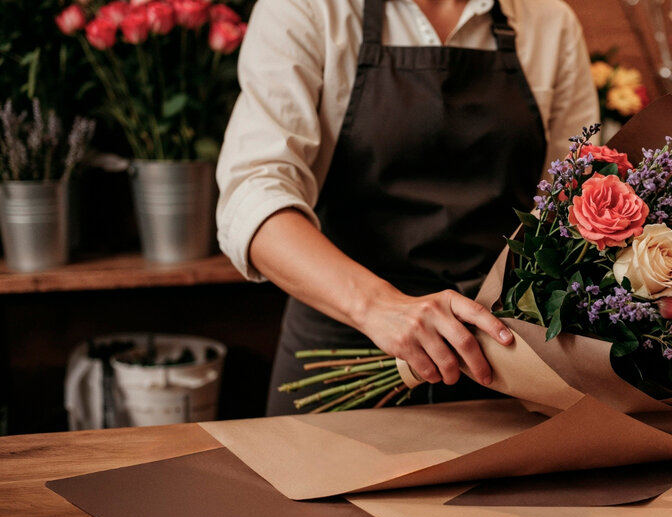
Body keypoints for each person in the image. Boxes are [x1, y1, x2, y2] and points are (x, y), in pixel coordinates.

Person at [216, 0, 599, 415]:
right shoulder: (306, 8)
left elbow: (572, 203)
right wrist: (380, 307)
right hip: (341, 362)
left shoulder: (549, 21)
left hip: (504, 360)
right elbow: (252, 196)